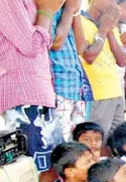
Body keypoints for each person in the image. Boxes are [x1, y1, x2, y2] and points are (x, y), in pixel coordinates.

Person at [1, 0, 66, 178]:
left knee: (53, 168)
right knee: (33, 173)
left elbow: (43, 41)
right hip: (22, 97)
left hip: (35, 95)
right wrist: (46, 11)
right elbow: (31, 45)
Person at [77, 0, 126, 143]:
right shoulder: (80, 21)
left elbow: (122, 60)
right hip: (96, 93)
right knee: (95, 144)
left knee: (115, 144)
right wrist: (103, 30)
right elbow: (89, 56)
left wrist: (109, 29)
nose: (112, 2)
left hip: (115, 92)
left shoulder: (110, 25)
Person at [49, 0, 88, 142]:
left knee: (75, 148)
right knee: (60, 146)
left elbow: (80, 47)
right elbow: (56, 42)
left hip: (75, 88)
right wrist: (71, 8)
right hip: (58, 87)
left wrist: (75, 11)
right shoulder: (49, 6)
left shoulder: (69, 9)